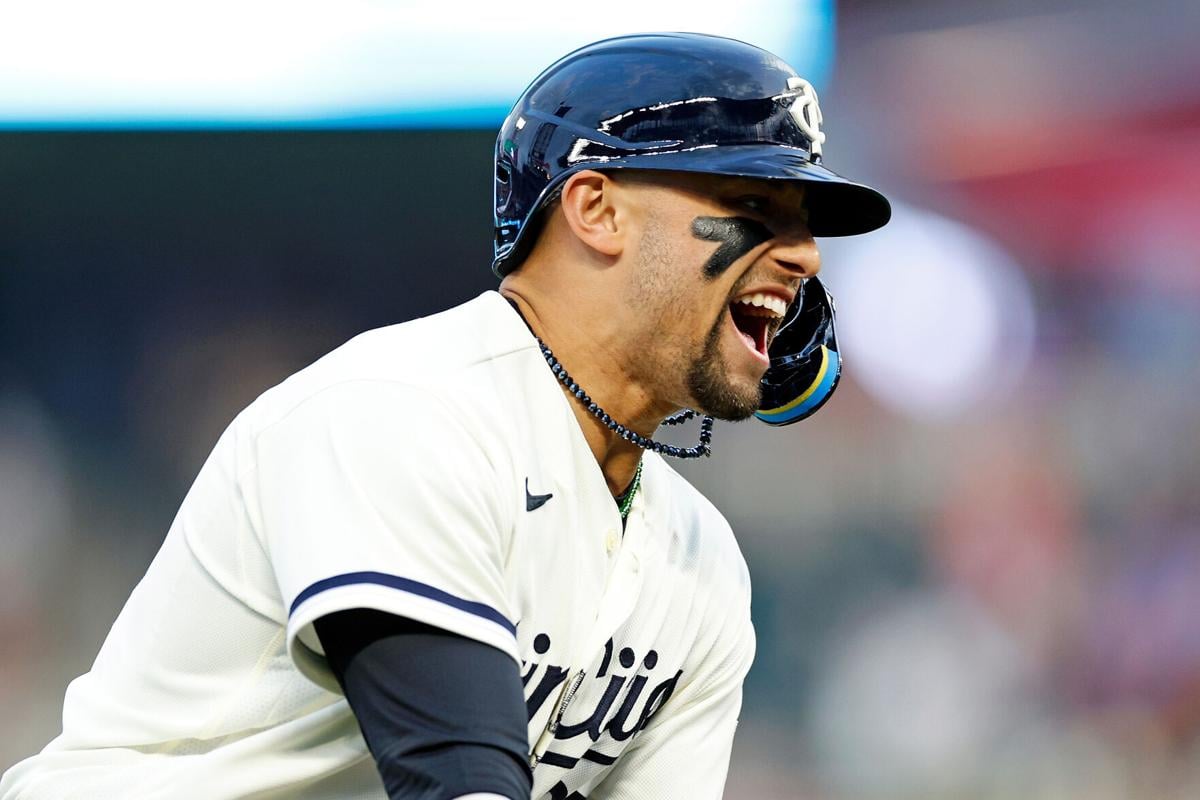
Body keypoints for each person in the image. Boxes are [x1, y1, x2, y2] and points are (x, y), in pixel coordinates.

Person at [0, 32, 889, 800]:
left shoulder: (701, 565)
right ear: (596, 209)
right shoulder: (401, 414)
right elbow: (454, 779)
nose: (806, 253)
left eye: (802, 220)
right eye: (751, 207)